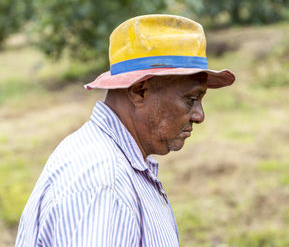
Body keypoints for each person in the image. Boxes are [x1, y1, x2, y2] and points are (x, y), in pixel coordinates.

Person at [15, 14, 235, 246]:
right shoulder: (104, 185)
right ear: (140, 91)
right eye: (191, 99)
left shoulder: (108, 157)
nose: (199, 116)